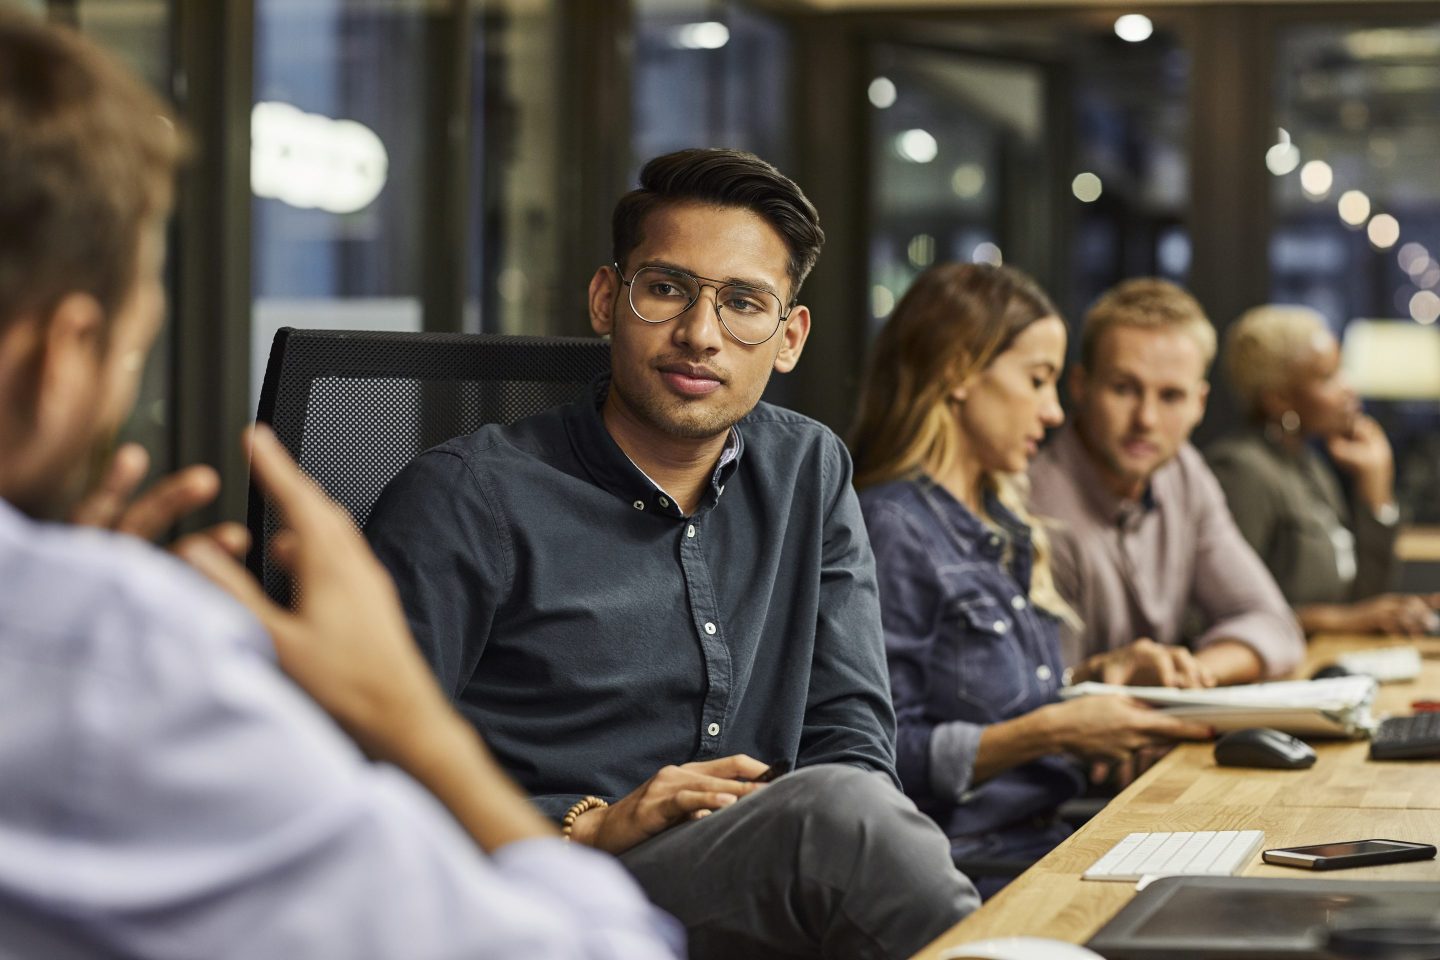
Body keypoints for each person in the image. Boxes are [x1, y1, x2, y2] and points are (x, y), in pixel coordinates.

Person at [0, 12, 682, 958]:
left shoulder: (86, 644)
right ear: (61, 356)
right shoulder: (111, 648)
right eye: (133, 340)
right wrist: (411, 719)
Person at [364, 148, 980, 959]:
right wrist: (584, 828)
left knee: (849, 811)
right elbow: (361, 778)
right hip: (541, 892)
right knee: (841, 824)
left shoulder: (808, 469)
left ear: (787, 337)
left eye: (743, 304)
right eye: (665, 290)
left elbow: (850, 734)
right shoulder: (467, 497)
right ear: (604, 300)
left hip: (766, 881)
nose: (699, 335)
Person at [850, 263, 1213, 897]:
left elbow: (987, 698)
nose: (1052, 413)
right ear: (960, 372)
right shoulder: (893, 526)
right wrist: (1059, 730)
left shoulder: (1002, 522)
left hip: (1053, 841)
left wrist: (1097, 678)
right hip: (972, 870)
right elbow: (870, 759)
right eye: (1038, 380)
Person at [1028, 278, 1305, 684]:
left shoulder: (1184, 473)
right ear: (1080, 387)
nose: (1147, 420)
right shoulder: (1034, 504)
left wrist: (1186, 673)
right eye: (1124, 389)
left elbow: (1276, 626)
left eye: (1171, 396)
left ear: (1200, 404)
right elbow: (1042, 693)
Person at [1207, 304, 1440, 636]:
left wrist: (1376, 488)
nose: (1349, 388)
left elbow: (1362, 600)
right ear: (1279, 400)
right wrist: (1343, 620)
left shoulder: (1309, 465)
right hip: (1277, 682)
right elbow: (1227, 615)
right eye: (1328, 376)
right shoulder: (1242, 471)